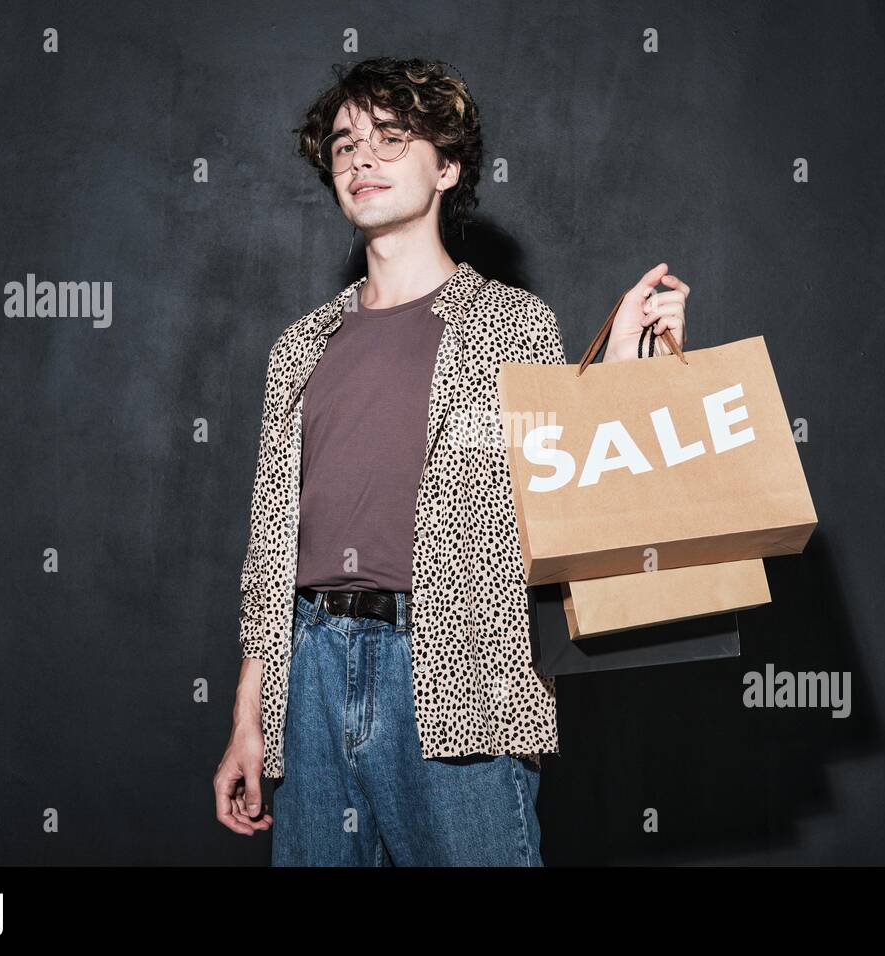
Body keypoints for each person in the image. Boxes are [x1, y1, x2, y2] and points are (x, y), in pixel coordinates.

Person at [213, 56, 688, 865]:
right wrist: (247, 720)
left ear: (449, 165)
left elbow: (564, 486)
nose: (360, 159)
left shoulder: (510, 325)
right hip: (311, 674)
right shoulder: (297, 348)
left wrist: (629, 369)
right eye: (343, 145)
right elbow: (268, 553)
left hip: (455, 671)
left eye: (390, 138)